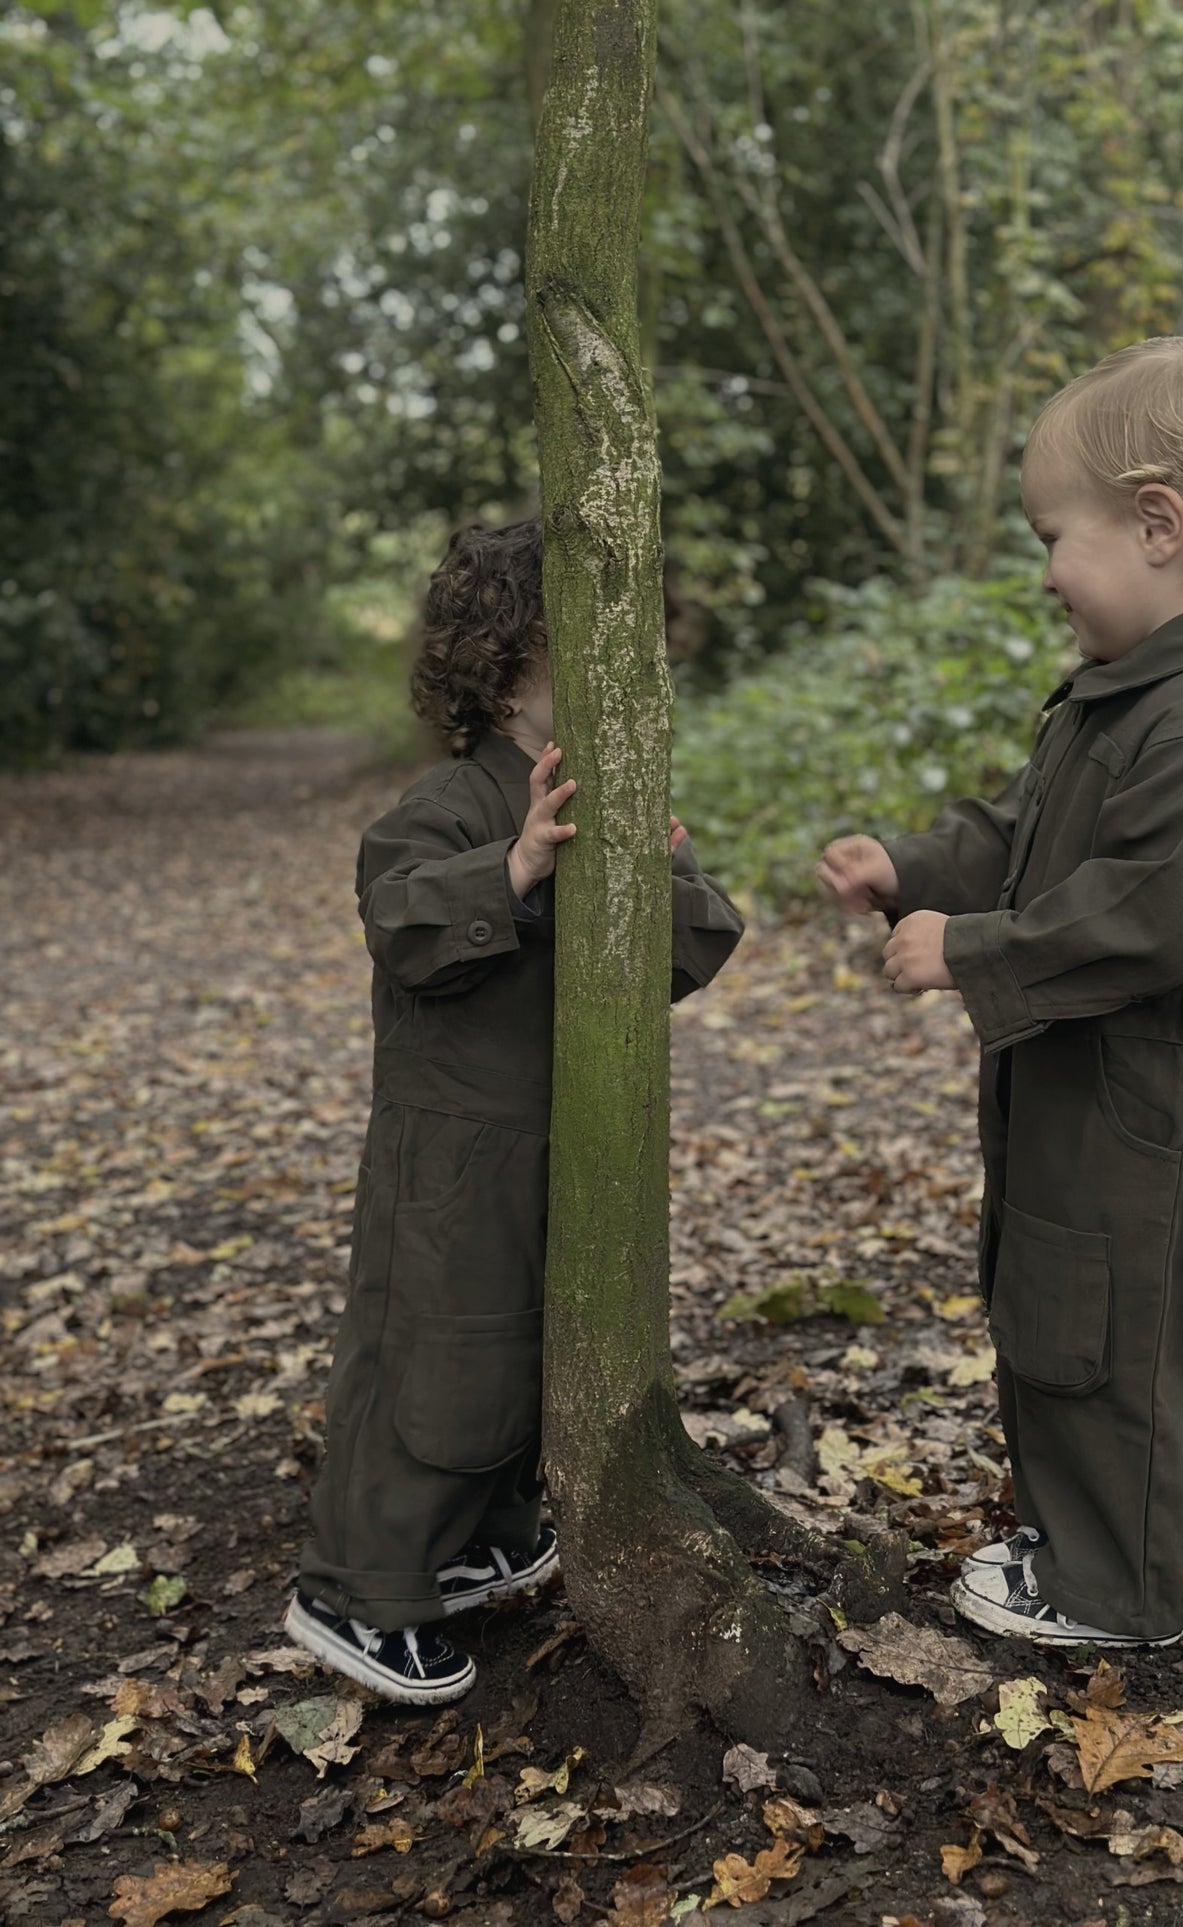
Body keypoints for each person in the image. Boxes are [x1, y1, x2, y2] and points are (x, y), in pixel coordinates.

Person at [818, 337, 1183, 1648]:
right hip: (1089, 1095)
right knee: (1051, 1312)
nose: (1043, 572)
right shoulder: (1126, 696)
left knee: (1121, 1345)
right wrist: (911, 868)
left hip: (1169, 1125)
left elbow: (1147, 912)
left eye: (1053, 537)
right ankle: (1071, 1541)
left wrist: (972, 947)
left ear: (1159, 524)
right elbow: (1034, 834)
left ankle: (1116, 1592)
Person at [287, 518, 745, 1702]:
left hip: (562, 1143)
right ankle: (358, 1584)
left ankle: (485, 1531)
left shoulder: (603, 793)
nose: (624, 664)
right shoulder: (440, 808)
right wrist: (515, 868)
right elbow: (400, 919)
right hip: (451, 1154)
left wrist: (662, 872)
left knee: (523, 1352)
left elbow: (692, 947)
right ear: (505, 659)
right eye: (585, 642)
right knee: (431, 1360)